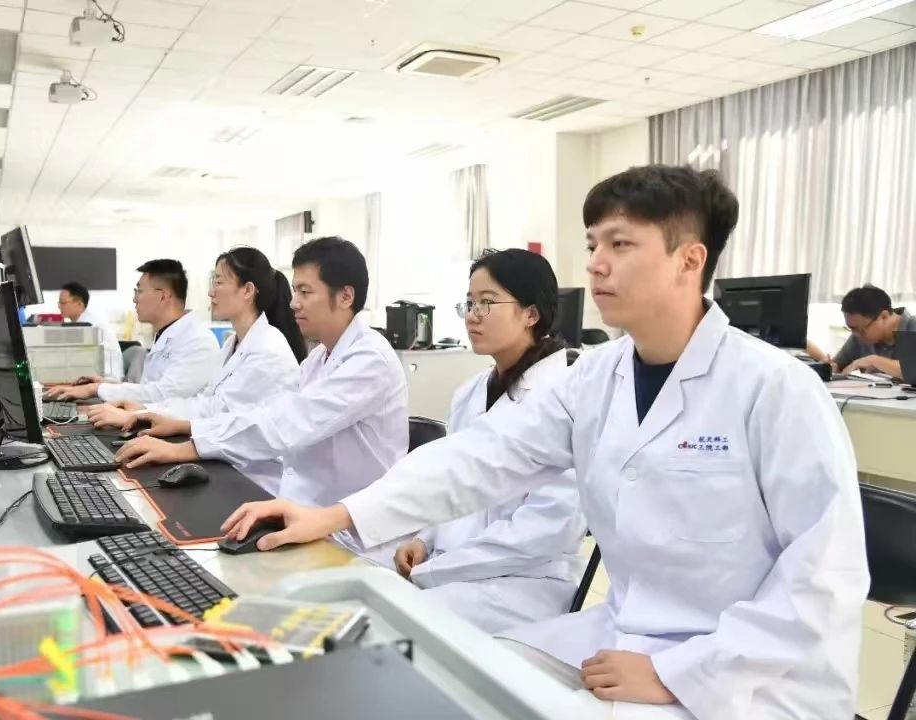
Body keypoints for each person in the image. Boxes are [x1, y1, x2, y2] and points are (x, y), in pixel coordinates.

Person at [221, 166, 869, 720]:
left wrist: (680, 673)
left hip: (752, 676)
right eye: (592, 243)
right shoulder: (598, 377)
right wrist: (337, 515)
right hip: (626, 633)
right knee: (459, 678)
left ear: (689, 260)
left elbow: (824, 578)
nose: (595, 262)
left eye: (620, 243)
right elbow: (479, 458)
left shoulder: (773, 387)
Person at [114, 236, 409, 510]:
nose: (294, 302)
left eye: (305, 292)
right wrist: (187, 429)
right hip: (302, 503)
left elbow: (287, 423)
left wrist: (186, 447)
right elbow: (264, 412)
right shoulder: (320, 357)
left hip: (344, 523)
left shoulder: (370, 359)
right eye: (295, 290)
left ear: (345, 296)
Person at [391, 248, 585, 634]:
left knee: (403, 620)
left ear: (531, 314)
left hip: (527, 581)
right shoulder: (471, 393)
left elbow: (546, 530)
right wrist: (424, 540)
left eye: (487, 302)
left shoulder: (567, 399)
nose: (472, 315)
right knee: (371, 590)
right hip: (455, 566)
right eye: (469, 303)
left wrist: (440, 568)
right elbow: (452, 484)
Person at [85, 247, 307, 493]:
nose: (211, 292)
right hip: (225, 462)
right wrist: (148, 413)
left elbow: (228, 419)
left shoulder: (268, 349)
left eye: (219, 282)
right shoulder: (234, 344)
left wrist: (147, 418)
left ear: (247, 290)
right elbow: (208, 403)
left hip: (255, 479)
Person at [46, 259, 219, 403]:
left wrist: (97, 388)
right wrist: (106, 385)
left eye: (139, 291)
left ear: (163, 296)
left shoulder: (198, 340)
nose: (135, 299)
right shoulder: (167, 334)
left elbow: (163, 395)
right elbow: (148, 389)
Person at [829, 284, 915, 378]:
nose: (856, 334)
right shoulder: (859, 334)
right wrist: (831, 368)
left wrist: (874, 361)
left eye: (861, 329)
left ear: (884, 316)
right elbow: (837, 365)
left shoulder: (912, 326)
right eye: (852, 328)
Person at [56, 281, 125, 381]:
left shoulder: (90, 325)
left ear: (79, 304)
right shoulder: (83, 321)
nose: (59, 306)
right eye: (59, 303)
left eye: (63, 303)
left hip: (105, 380)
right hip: (95, 376)